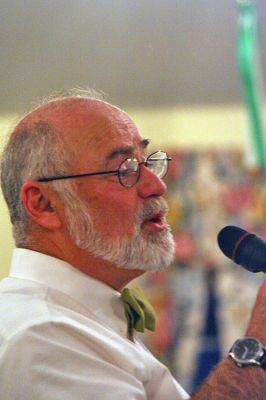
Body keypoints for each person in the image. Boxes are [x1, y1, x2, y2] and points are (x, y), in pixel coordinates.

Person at [0, 90, 265, 400]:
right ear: (44, 204)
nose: (158, 185)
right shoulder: (40, 335)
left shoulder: (78, 320)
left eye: (147, 162)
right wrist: (257, 347)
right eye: (124, 169)